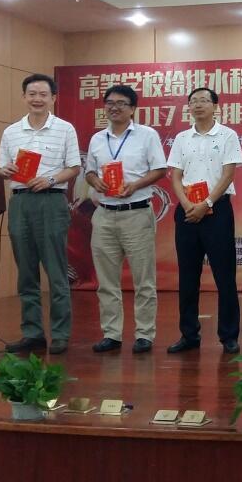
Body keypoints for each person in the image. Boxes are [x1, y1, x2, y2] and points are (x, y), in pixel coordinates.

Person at [0, 73, 81, 355]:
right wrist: (6, 170)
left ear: (53, 98)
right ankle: (32, 333)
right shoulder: (11, 132)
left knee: (56, 271)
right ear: (24, 97)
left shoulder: (65, 129)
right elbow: (3, 168)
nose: (37, 99)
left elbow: (74, 167)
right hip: (20, 202)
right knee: (26, 272)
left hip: (51, 201)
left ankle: (60, 334)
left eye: (43, 94)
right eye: (32, 94)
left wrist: (51, 179)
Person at [83, 85, 167, 355]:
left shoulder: (147, 135)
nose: (114, 107)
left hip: (136, 213)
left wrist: (135, 185)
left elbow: (160, 169)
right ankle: (111, 334)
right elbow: (89, 171)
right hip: (104, 215)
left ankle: (144, 334)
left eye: (121, 103)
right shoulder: (97, 139)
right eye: (109, 103)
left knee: (144, 279)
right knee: (106, 280)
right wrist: (94, 180)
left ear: (132, 109)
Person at [166, 87, 242, 354]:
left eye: (203, 100)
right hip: (187, 211)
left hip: (217, 211)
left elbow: (228, 174)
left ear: (215, 106)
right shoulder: (182, 138)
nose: (198, 105)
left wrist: (207, 203)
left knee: (225, 275)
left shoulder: (227, 135)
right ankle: (189, 335)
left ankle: (229, 335)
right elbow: (176, 176)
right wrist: (187, 204)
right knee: (188, 276)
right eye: (193, 101)